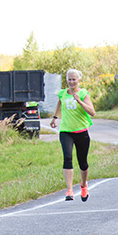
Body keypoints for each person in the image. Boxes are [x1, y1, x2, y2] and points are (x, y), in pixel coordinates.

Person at [50, 69, 96, 201]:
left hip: (81, 131)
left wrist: (80, 101)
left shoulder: (83, 94)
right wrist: (55, 117)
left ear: (79, 80)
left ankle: (83, 185)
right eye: (69, 79)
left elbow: (92, 112)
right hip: (66, 131)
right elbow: (60, 102)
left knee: (82, 162)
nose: (71, 82)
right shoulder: (63, 93)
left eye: (74, 79)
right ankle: (69, 190)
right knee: (68, 157)